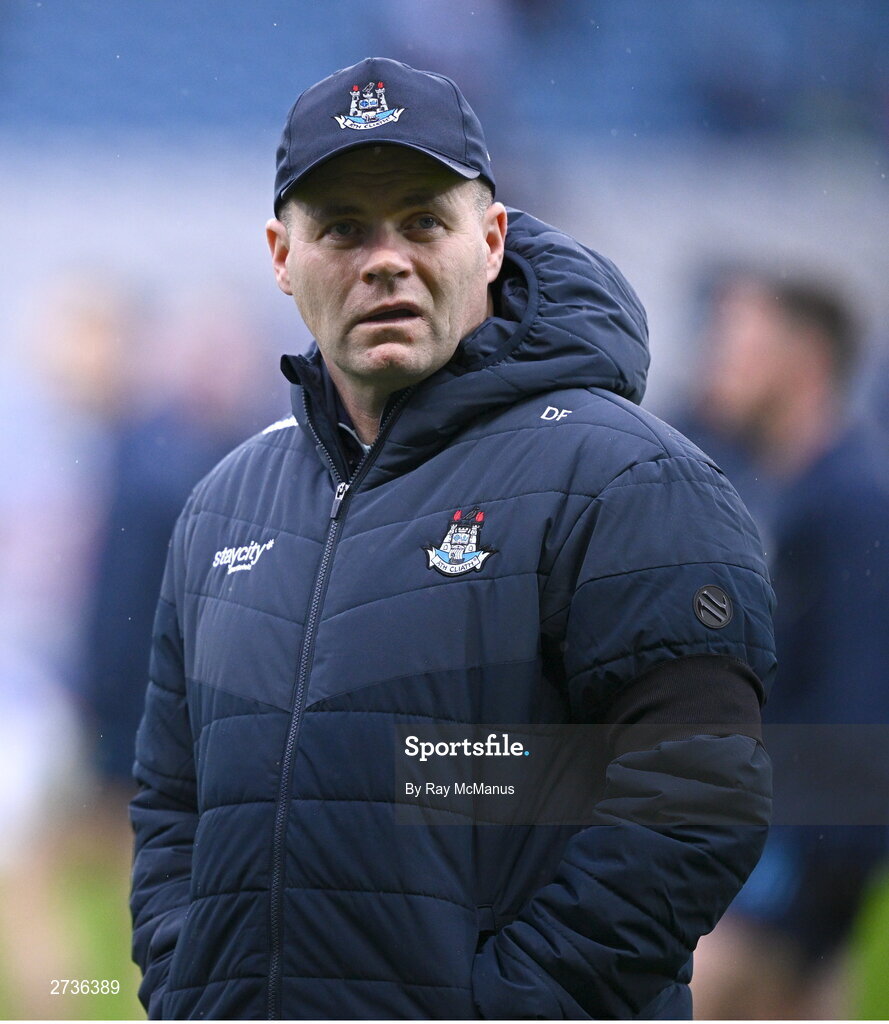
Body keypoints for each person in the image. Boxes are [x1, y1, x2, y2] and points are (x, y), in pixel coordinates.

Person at [130, 58, 776, 1020]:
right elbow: (172, 805)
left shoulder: (626, 476)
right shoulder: (227, 503)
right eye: (343, 228)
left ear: (491, 239)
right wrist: (191, 991)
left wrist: (511, 1005)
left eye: (423, 222)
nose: (384, 258)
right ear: (279, 256)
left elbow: (694, 792)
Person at [688, 270, 889, 1019]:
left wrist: (808, 905)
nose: (717, 358)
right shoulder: (769, 482)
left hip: (793, 867)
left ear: (801, 358)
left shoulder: (854, 504)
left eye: (736, 340)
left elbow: (860, 713)